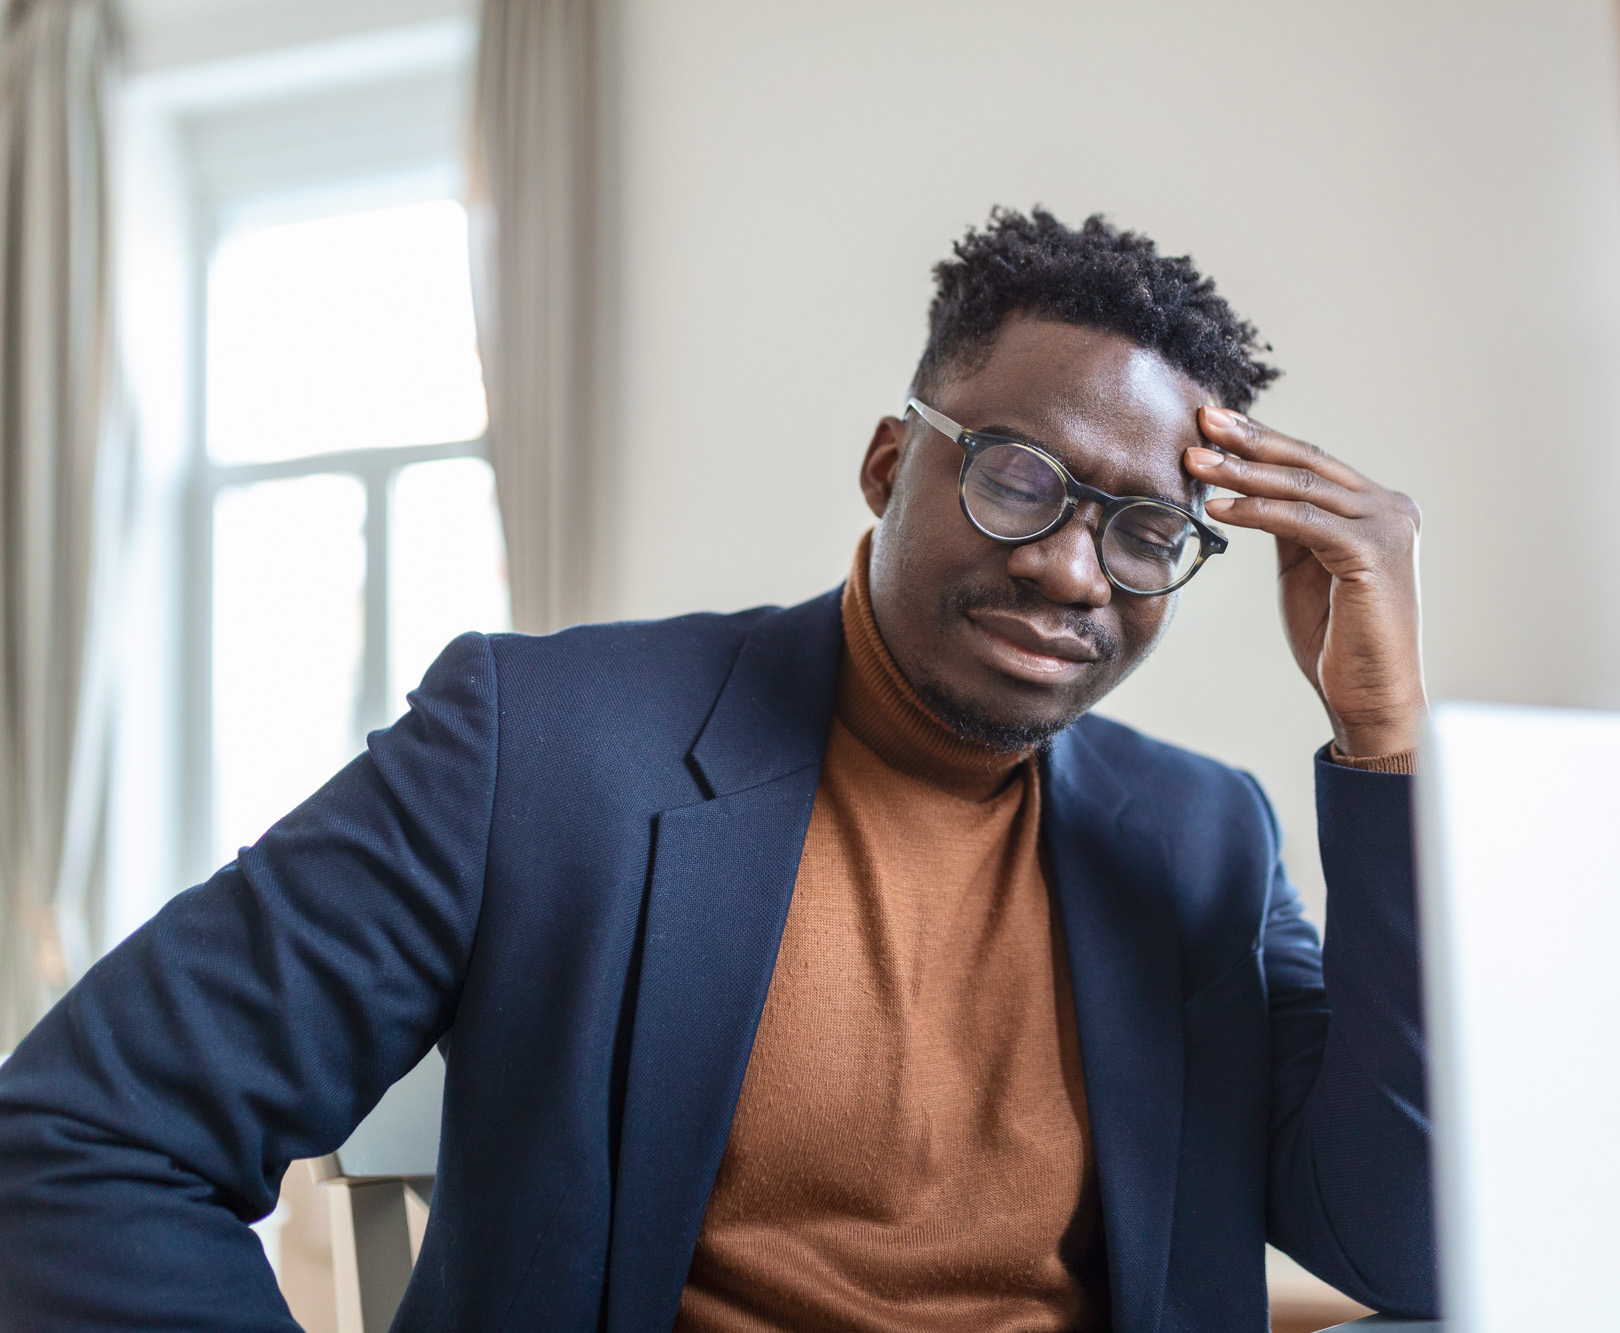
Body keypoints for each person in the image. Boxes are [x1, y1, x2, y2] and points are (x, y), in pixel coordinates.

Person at [0, 208, 1434, 1331]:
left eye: (1141, 532)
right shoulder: (538, 742)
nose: (1071, 567)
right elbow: (82, 1137)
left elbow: (1403, 1234)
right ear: (889, 466)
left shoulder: (1204, 840)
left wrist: (1385, 742)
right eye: (1016, 477)